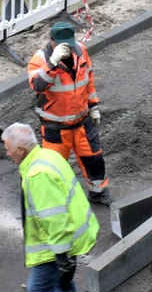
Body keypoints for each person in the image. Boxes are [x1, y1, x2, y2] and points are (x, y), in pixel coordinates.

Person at [2, 122, 103, 292]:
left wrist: (60, 253)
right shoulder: (47, 155)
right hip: (73, 238)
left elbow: (53, 217)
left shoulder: (37, 174)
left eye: (8, 148)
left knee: (37, 290)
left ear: (21, 149)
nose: (7, 154)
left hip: (57, 246)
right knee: (64, 283)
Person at [27, 22, 110, 204]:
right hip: (55, 127)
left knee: (94, 158)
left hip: (82, 120)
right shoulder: (40, 59)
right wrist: (52, 63)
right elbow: (38, 85)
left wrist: (93, 106)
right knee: (54, 167)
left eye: (69, 43)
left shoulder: (80, 50)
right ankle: (55, 201)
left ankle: (98, 191)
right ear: (51, 40)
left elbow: (88, 79)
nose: (67, 48)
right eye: (61, 44)